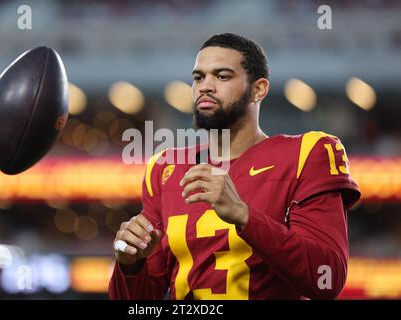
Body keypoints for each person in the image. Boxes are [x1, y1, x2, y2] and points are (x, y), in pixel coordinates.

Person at [108, 33, 360, 300]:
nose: (205, 86)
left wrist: (244, 216)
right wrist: (130, 263)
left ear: (258, 89)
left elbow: (326, 279)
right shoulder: (165, 167)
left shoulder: (307, 154)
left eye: (222, 76)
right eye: (198, 77)